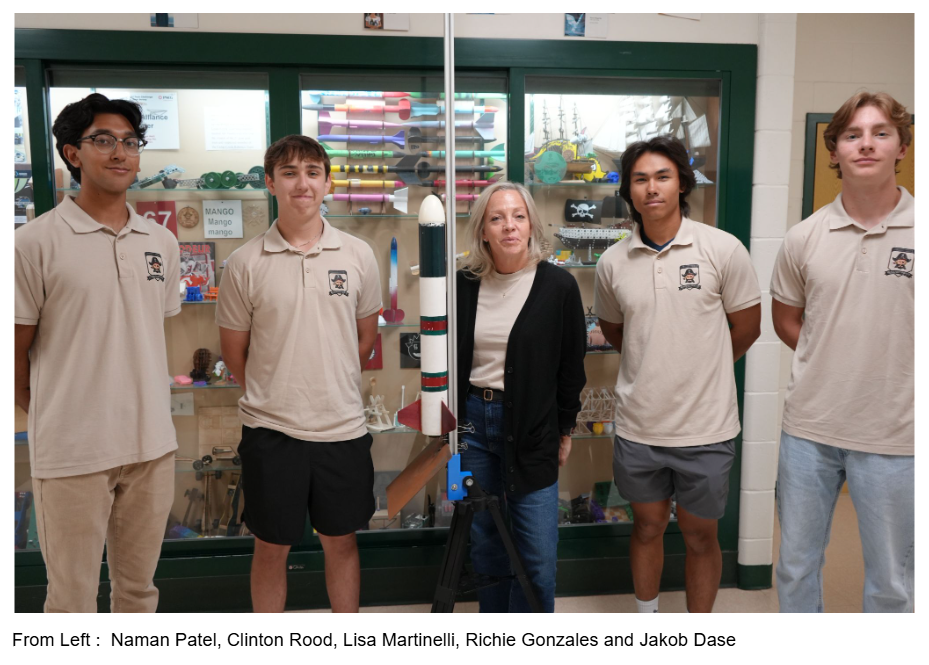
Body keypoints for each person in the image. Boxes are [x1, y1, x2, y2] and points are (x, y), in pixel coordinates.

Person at [14, 93, 180, 612]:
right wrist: (56, 413)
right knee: (71, 600)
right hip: (73, 452)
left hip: (152, 444)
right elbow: (14, 354)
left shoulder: (161, 241)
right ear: (72, 153)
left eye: (130, 142)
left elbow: (152, 334)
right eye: (103, 141)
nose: (120, 153)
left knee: (138, 593)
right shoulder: (33, 243)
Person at [594, 136, 761, 613]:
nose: (652, 188)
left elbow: (747, 328)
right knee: (646, 527)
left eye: (662, 177)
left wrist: (701, 366)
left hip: (705, 428)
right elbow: (614, 329)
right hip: (640, 426)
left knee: (700, 534)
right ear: (628, 189)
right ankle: (649, 623)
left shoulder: (722, 248)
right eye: (640, 179)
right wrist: (658, 363)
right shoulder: (612, 262)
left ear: (681, 183)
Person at [216, 135, 381, 613]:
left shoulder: (358, 255)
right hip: (272, 430)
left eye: (312, 172)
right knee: (270, 547)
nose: (301, 183)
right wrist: (277, 395)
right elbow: (235, 353)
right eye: (288, 173)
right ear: (270, 183)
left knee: (342, 542)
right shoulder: (244, 263)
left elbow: (365, 341)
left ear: (328, 182)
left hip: (342, 427)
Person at [771, 92, 913, 613]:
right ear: (834, 151)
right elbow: (787, 320)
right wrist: (836, 354)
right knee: (796, 566)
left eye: (880, 133)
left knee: (892, 582)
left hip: (896, 435)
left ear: (902, 145)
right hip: (809, 430)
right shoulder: (804, 237)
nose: (866, 144)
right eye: (852, 135)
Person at [457, 181, 587, 612]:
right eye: (497, 218)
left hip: (533, 425)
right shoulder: (463, 284)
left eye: (518, 215)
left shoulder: (559, 287)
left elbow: (571, 369)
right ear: (482, 230)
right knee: (487, 545)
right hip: (474, 425)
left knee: (536, 557)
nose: (509, 226)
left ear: (531, 223)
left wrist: (564, 428)